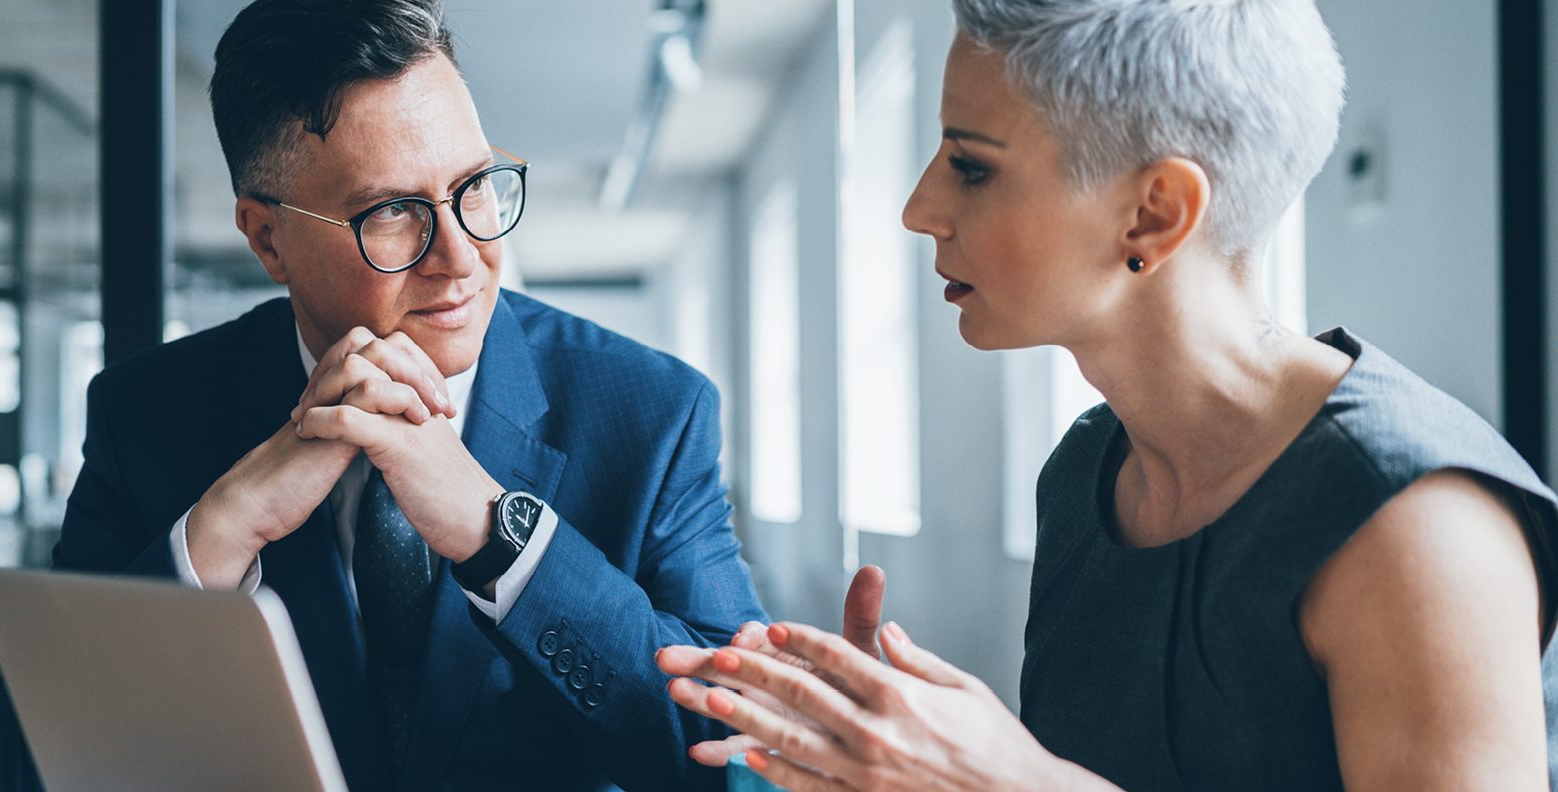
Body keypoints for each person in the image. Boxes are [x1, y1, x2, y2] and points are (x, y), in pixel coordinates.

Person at [658, 0, 1558, 788]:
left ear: (1154, 213)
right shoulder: (1088, 471)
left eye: (971, 165)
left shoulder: (1415, 526)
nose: (920, 207)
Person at [0, 1, 767, 789]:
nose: (460, 256)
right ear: (268, 238)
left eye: (476, 186)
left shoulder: (654, 412)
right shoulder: (148, 415)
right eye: (392, 213)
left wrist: (503, 543)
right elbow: (11, 765)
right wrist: (220, 531)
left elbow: (739, 748)